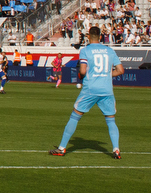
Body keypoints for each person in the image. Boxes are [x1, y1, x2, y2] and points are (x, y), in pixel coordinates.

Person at [51, 27, 123, 158]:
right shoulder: (109, 50)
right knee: (111, 120)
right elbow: (120, 70)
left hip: (91, 89)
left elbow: (83, 71)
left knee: (75, 116)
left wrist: (82, 74)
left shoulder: (85, 50)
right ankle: (116, 149)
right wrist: (105, 75)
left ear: (88, 36)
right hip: (106, 89)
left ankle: (62, 148)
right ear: (100, 37)